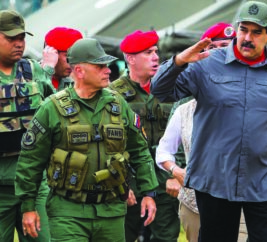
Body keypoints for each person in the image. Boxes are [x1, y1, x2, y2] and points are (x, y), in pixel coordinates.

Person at [151, 0, 267, 242]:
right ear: (237, 29)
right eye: (243, 29)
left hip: (266, 181)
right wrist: (180, 60)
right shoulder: (206, 62)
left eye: (256, 32)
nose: (247, 37)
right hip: (215, 180)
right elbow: (160, 91)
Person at [15, 38, 159, 242]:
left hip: (111, 211)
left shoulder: (118, 105)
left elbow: (139, 151)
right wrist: (28, 206)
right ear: (80, 71)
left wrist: (148, 192)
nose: (108, 71)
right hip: (68, 211)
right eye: (100, 66)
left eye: (107, 66)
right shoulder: (52, 108)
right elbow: (30, 160)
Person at [155, 22, 238, 242]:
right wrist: (176, 171)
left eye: (229, 46)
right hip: (195, 201)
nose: (223, 52)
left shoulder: (250, 97)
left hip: (240, 197)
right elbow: (166, 148)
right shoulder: (186, 105)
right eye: (217, 46)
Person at [109, 30, 180, 242]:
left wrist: (175, 175)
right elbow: (108, 145)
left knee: (166, 238)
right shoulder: (113, 94)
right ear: (130, 59)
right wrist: (121, 184)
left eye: (156, 51)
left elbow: (186, 136)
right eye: (148, 53)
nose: (156, 57)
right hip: (130, 183)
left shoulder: (175, 89)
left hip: (165, 180)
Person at [0, 9, 56, 242]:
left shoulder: (33, 71)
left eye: (22, 38)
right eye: (11, 38)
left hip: (33, 184)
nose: (19, 44)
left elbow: (54, 110)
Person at [43, 26, 83, 91]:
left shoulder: (71, 81)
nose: (74, 63)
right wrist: (48, 69)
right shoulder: (29, 76)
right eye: (68, 56)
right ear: (51, 54)